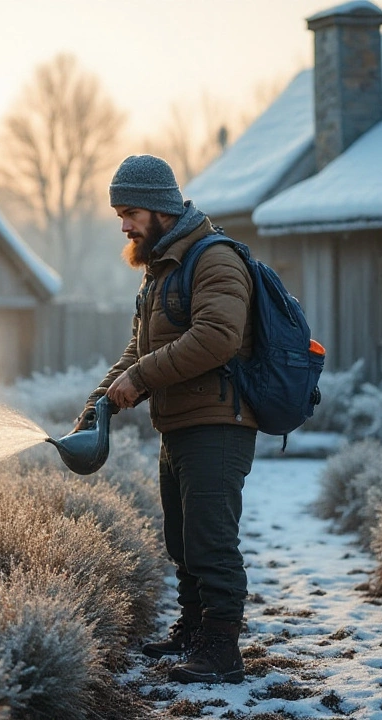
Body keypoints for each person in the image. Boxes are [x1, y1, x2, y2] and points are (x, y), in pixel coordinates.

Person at [76, 154, 257, 685]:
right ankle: (193, 631)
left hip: (218, 423)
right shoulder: (160, 271)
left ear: (159, 209)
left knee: (210, 539)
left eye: (130, 212)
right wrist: (99, 404)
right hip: (179, 423)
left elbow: (217, 337)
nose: (125, 225)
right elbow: (138, 349)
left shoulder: (214, 259)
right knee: (181, 540)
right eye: (119, 215)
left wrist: (143, 380)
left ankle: (221, 651)